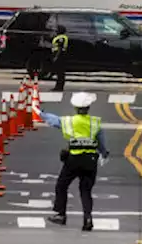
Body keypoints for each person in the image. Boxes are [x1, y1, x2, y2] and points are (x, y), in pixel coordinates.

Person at [45, 92, 108, 231]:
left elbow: (55, 121)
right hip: (90, 160)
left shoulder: (70, 121)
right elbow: (101, 142)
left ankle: (61, 215)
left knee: (62, 185)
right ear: (89, 107)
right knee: (86, 191)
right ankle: (88, 219)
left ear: (75, 108)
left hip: (74, 159)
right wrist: (104, 154)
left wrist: (41, 113)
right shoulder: (95, 122)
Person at [49, 24, 69, 91]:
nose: (56, 31)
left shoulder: (61, 38)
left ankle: (59, 87)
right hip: (58, 56)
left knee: (60, 73)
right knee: (59, 72)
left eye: (57, 30)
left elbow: (60, 48)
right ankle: (58, 86)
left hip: (60, 56)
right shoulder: (59, 37)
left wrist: (56, 57)